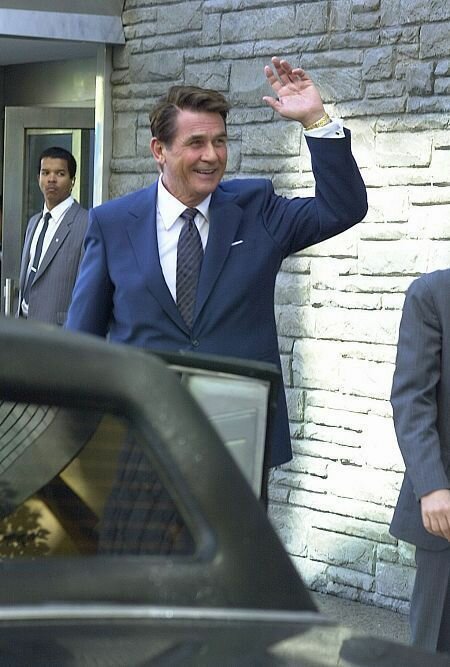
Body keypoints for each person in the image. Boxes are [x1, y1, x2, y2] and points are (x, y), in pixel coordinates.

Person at [66, 57, 367, 553]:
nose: (212, 156)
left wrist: (316, 121)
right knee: (141, 577)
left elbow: (343, 208)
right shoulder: (113, 223)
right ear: (159, 150)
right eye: (196, 143)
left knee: (229, 581)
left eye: (220, 141)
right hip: (139, 445)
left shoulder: (257, 209)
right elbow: (82, 343)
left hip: (236, 444)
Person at [390, 269, 450, 654]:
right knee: (436, 647)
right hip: (447, 513)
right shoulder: (432, 295)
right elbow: (412, 400)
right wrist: (431, 486)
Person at [17, 146, 88, 325]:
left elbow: (88, 288)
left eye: (60, 173)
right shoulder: (34, 222)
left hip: (58, 332)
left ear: (72, 180)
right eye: (45, 172)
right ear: (38, 178)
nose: (51, 179)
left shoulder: (86, 223)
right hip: (24, 326)